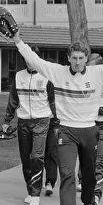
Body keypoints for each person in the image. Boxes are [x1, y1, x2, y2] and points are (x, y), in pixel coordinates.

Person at [0, 6, 103, 205]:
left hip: (90, 130)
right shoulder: (57, 72)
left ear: (86, 59)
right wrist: (17, 39)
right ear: (68, 58)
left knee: (90, 173)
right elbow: (33, 58)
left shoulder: (98, 73)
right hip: (66, 132)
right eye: (74, 58)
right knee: (68, 174)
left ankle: (89, 203)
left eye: (82, 58)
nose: (78, 62)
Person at [1, 48, 55, 205]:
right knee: (25, 158)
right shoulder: (19, 76)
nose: (29, 62)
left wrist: (58, 121)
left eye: (32, 59)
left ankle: (36, 194)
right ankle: (31, 190)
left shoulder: (47, 76)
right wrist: (7, 120)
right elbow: (13, 100)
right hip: (23, 121)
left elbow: (53, 101)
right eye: (26, 59)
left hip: (42, 120)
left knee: (36, 156)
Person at [76, 55, 103, 205]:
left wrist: (94, 110)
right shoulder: (83, 80)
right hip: (86, 125)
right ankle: (83, 181)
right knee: (86, 158)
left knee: (99, 160)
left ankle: (96, 197)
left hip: (102, 126)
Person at [43, 58, 60, 197]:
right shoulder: (40, 81)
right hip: (39, 120)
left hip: (54, 122)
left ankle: (50, 182)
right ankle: (35, 182)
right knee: (38, 153)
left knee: (52, 151)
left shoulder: (58, 82)